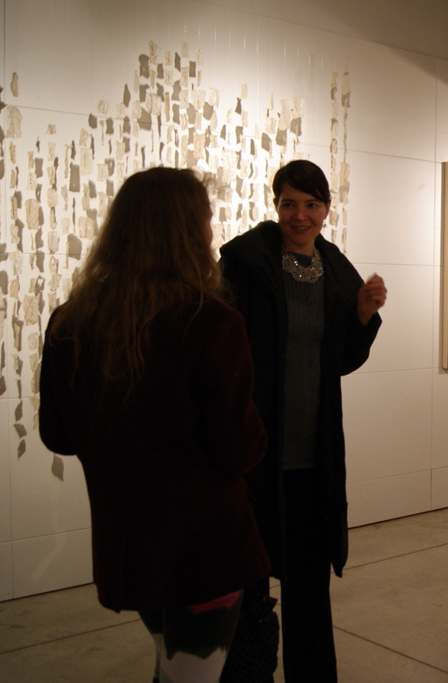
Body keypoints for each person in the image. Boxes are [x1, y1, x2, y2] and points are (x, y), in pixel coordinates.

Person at [38, 167, 270, 683]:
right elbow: (238, 448)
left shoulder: (69, 323)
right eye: (207, 220)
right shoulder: (211, 324)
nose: (213, 233)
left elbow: (58, 435)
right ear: (188, 232)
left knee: (174, 668)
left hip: (132, 549)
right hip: (206, 552)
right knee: (192, 675)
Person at [219, 159, 386, 683]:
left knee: (310, 587)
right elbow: (223, 353)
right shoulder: (244, 265)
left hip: (313, 456)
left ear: (326, 209)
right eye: (289, 203)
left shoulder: (336, 270)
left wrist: (360, 316)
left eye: (311, 205)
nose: (299, 215)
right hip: (255, 454)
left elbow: (338, 359)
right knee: (248, 584)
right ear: (275, 205)